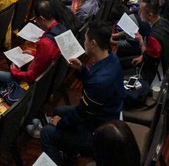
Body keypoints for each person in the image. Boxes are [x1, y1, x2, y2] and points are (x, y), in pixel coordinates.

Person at [40, 23, 125, 166]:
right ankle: (71, 153)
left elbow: (82, 114)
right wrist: (81, 69)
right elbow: (93, 83)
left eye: (85, 39)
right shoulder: (111, 58)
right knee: (58, 110)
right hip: (103, 115)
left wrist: (60, 123)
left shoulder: (100, 82)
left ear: (93, 43)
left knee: (47, 133)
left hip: (98, 131)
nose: (83, 42)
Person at [0, 0, 67, 97]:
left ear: (41, 18)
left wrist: (15, 72)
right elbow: (48, 57)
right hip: (47, 81)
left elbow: (31, 77)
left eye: (36, 20)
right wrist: (33, 54)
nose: (37, 23)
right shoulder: (61, 28)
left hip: (32, 85)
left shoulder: (45, 43)